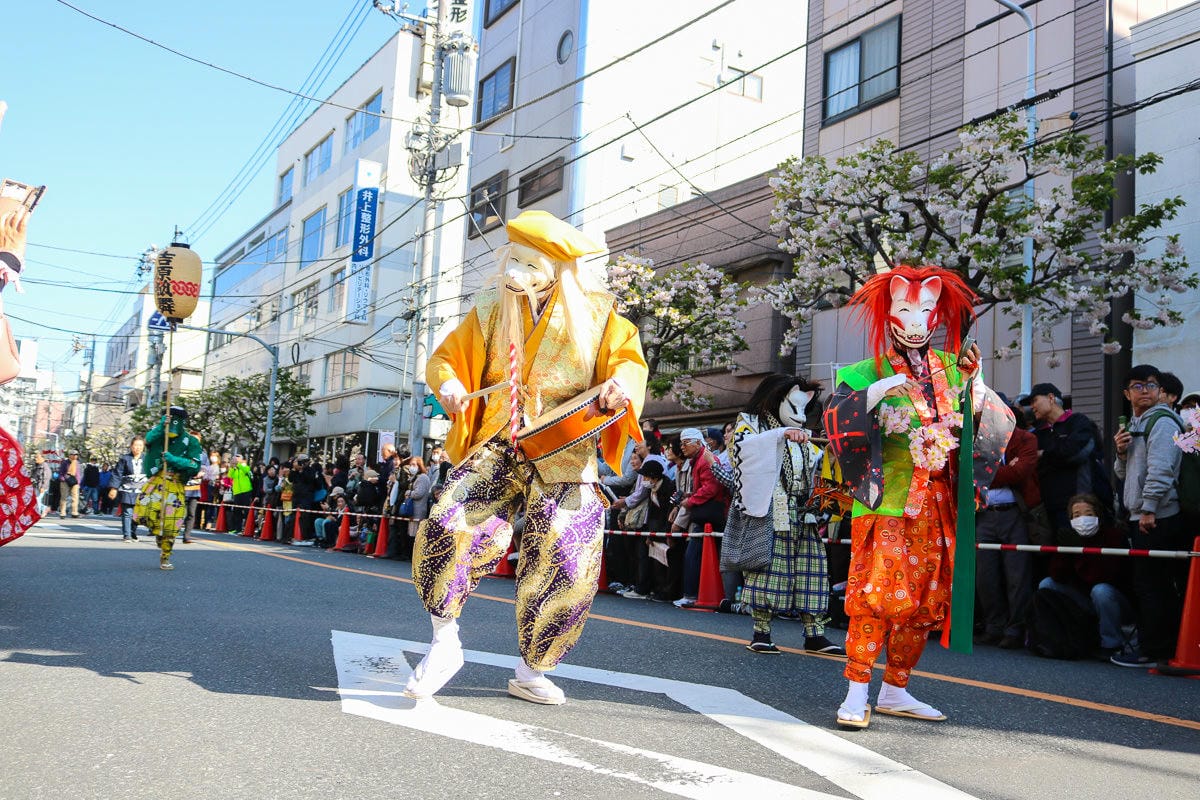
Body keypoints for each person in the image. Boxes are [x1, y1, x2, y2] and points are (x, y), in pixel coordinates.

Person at [406, 210, 647, 706]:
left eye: (530, 265)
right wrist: (449, 384)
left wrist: (621, 385)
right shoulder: (491, 308)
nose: (517, 272)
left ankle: (533, 667)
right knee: (448, 523)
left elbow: (627, 361)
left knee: (567, 557)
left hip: (566, 447)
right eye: (513, 260)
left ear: (557, 270)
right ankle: (444, 641)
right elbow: (447, 358)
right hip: (499, 439)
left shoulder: (599, 314)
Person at [824, 266, 1012, 728]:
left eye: (925, 310)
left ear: (937, 314)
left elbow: (989, 421)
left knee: (927, 600)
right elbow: (835, 419)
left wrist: (977, 385)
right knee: (876, 595)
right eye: (905, 310)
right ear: (887, 312)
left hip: (938, 504)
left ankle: (896, 687)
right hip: (886, 501)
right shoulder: (864, 371)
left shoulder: (954, 367)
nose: (915, 322)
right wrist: (876, 391)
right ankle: (856, 690)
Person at [723, 374, 844, 655]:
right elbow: (741, 452)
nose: (800, 416)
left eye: (804, 409)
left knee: (812, 571)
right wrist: (779, 435)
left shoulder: (801, 436)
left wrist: (830, 454)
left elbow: (814, 463)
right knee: (767, 571)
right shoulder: (750, 424)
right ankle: (761, 631)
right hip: (770, 510)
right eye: (794, 407)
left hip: (804, 511)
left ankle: (815, 633)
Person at [1112, 364, 1187, 667]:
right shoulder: (1136, 423)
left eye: (1151, 385)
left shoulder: (1163, 422)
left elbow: (1162, 469)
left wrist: (1149, 508)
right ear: (1126, 393)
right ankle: (1156, 647)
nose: (1145, 391)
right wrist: (1120, 453)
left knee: (1154, 586)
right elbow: (1123, 473)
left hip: (1157, 516)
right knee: (1148, 584)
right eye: (1138, 385)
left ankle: (1157, 650)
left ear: (1160, 391)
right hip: (1142, 514)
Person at [975, 403, 1040, 649]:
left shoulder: (1025, 438)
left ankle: (1016, 629)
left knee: (1018, 575)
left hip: (1015, 513)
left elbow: (1020, 473)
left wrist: (988, 474)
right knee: (986, 575)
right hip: (983, 513)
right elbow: (969, 473)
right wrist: (1003, 471)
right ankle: (993, 626)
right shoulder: (976, 439)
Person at [1038, 493, 1134, 659]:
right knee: (1046, 584)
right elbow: (1057, 575)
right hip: (1084, 599)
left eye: (1088, 514)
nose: (1082, 519)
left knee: (1101, 591)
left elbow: (1102, 577)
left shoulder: (1113, 536)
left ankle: (1111, 644)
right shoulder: (1069, 536)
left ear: (1098, 516)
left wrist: (1081, 552)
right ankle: (1059, 637)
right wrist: (1065, 552)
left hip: (1114, 601)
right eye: (1076, 515)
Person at [1028, 383, 1109, 534]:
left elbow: (1076, 452)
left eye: (1034, 400)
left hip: (1081, 505)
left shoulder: (1078, 421)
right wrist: (1058, 454)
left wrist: (1044, 454)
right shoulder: (1037, 434)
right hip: (1049, 506)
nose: (1032, 407)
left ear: (1051, 398)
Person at [135, 407, 202, 570]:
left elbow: (195, 465)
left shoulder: (191, 441)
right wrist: (161, 427)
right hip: (156, 481)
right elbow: (148, 440)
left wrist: (174, 459)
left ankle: (165, 555)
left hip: (176, 484)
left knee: (172, 523)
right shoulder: (158, 435)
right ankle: (158, 531)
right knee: (144, 511)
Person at [673, 429, 730, 608]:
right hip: (710, 514)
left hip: (710, 515)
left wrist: (690, 501)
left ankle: (691, 595)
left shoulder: (705, 460)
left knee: (694, 555)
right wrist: (690, 496)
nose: (682, 447)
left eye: (685, 443)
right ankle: (706, 595)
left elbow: (711, 488)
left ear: (698, 443)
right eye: (681, 443)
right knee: (703, 555)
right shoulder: (700, 459)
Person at [109, 437, 148, 542]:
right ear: (131, 446)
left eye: (140, 445)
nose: (137, 448)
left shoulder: (148, 459)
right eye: (135, 445)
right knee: (127, 512)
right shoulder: (125, 459)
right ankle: (127, 535)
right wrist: (113, 488)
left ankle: (132, 532)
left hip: (142, 490)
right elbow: (117, 474)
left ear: (143, 447)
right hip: (127, 488)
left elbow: (153, 472)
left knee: (138, 513)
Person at [181, 445, 209, 544]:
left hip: (195, 488)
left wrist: (202, 473)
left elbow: (206, 469)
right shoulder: (183, 451)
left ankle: (186, 536)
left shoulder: (203, 455)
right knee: (181, 513)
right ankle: (172, 532)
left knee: (191, 513)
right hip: (182, 487)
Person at [227, 453, 253, 533]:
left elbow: (246, 470)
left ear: (242, 459)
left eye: (238, 457)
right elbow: (230, 475)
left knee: (246, 511)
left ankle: (247, 529)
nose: (236, 459)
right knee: (237, 511)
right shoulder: (235, 469)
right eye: (235, 457)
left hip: (246, 491)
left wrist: (238, 464)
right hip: (237, 492)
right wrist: (232, 467)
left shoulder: (245, 466)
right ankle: (237, 529)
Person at [58, 450, 83, 518]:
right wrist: (63, 479)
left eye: (76, 455)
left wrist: (78, 482)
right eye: (73, 454)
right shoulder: (65, 462)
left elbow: (80, 473)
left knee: (75, 497)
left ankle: (74, 512)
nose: (75, 456)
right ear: (69, 455)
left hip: (75, 482)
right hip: (65, 481)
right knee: (64, 497)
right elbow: (61, 472)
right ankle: (62, 513)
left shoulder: (78, 463)